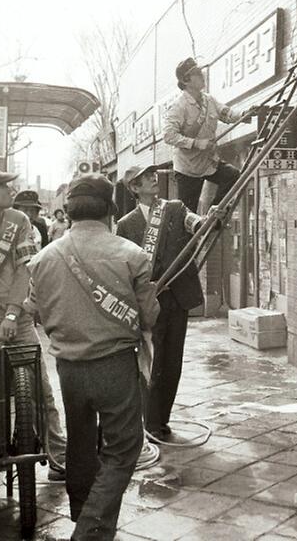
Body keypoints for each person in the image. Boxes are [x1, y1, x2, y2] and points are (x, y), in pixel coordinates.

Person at [24, 174, 160, 541]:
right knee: (123, 448)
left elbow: (33, 310)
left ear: (69, 211)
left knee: (80, 444)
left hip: (68, 368)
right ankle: (89, 532)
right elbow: (150, 317)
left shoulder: (42, 259)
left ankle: (85, 515)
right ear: (111, 210)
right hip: (114, 365)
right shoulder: (132, 256)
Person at [116, 164, 207, 441]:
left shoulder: (175, 208)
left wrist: (207, 220)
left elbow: (195, 222)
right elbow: (124, 267)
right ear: (134, 187)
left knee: (173, 361)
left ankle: (161, 419)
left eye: (153, 175)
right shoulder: (125, 225)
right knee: (152, 362)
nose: (153, 179)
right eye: (145, 177)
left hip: (177, 298)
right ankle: (150, 420)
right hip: (149, 302)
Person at [0, 162, 66, 481]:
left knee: (41, 390)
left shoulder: (18, 220)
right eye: (3, 186)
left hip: (17, 321)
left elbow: (26, 269)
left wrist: (12, 312)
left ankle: (58, 455)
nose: (10, 189)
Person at [163, 57, 255, 214]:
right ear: (186, 80)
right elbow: (168, 135)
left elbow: (227, 113)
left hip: (208, 163)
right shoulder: (178, 106)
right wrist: (197, 143)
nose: (202, 76)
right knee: (186, 215)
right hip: (187, 168)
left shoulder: (209, 100)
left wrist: (244, 114)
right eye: (197, 73)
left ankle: (214, 214)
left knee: (232, 175)